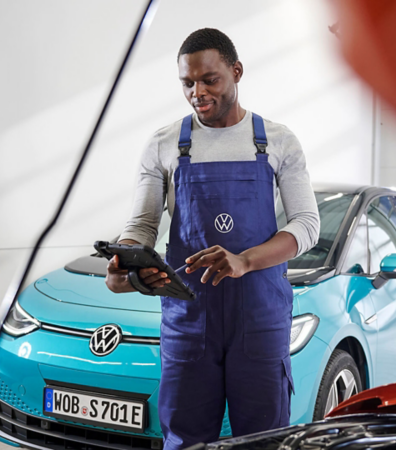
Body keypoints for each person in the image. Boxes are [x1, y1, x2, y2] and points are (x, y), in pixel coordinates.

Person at [105, 28, 319, 450]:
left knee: (262, 440)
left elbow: (306, 225)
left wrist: (246, 260)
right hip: (190, 318)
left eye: (209, 80)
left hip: (259, 318)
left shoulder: (276, 141)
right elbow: (142, 225)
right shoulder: (165, 144)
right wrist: (124, 262)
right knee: (185, 440)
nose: (197, 92)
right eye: (188, 83)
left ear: (236, 71)